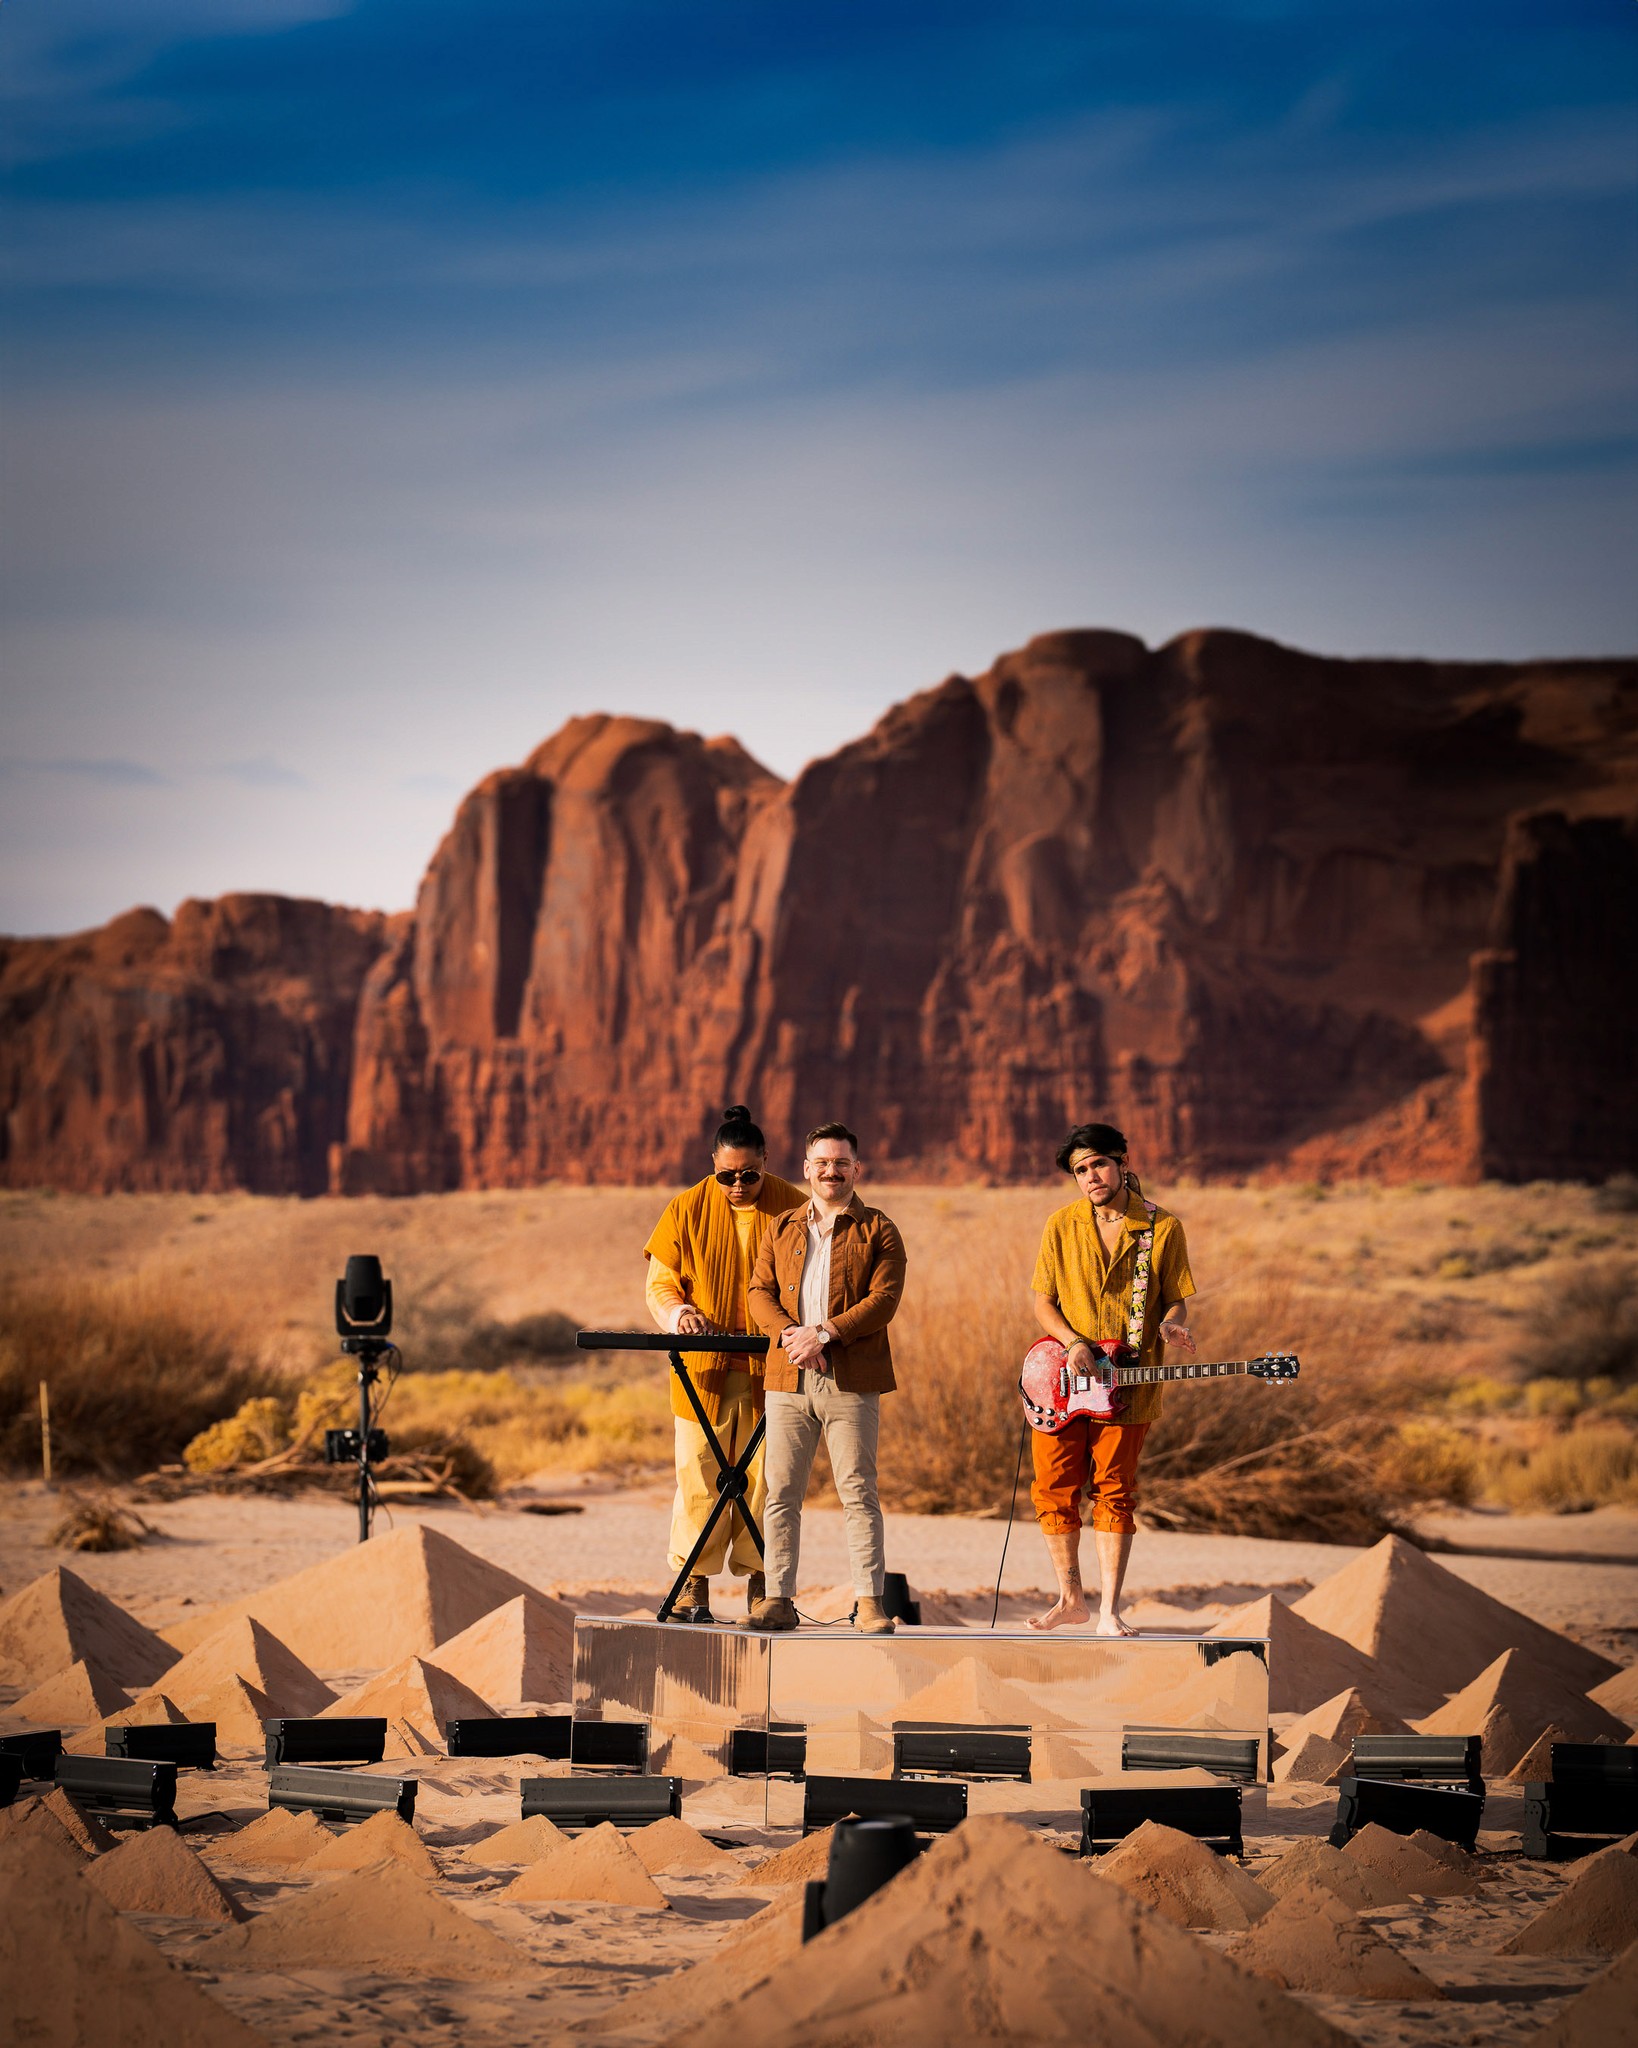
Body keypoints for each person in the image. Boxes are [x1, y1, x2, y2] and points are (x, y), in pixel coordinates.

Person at [1028, 1121, 1197, 1636]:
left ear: (1123, 1161)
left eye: (1099, 1163)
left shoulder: (1161, 1227)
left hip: (1131, 1383)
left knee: (1116, 1489)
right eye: (1080, 1170)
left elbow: (1176, 1295)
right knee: (1054, 1488)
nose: (1090, 1176)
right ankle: (1071, 1598)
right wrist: (1074, 1342)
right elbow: (1043, 1300)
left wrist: (1171, 1323)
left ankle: (1108, 1611)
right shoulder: (1061, 1224)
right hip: (1065, 1379)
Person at [644, 1106, 806, 1623]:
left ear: (766, 1161)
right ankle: (693, 1583)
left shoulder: (795, 1207)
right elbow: (661, 1281)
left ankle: (766, 1585)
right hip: (704, 1372)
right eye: (726, 1176)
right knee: (698, 1473)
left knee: (769, 1477)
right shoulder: (685, 1208)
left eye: (750, 1174)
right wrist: (679, 1313)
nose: (738, 1185)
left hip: (775, 1369)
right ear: (712, 1165)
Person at [745, 1122, 906, 1635]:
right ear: (806, 1169)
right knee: (780, 1492)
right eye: (821, 1162)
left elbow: (883, 1301)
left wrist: (826, 1334)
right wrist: (793, 1335)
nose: (831, 1171)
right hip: (786, 1377)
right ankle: (777, 1600)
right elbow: (758, 1293)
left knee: (858, 1491)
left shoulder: (879, 1229)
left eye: (841, 1162)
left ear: (857, 1169)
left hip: (851, 1378)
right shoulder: (782, 1226)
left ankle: (870, 1604)